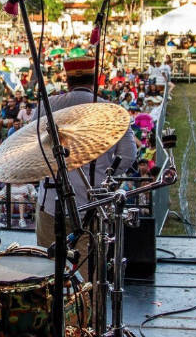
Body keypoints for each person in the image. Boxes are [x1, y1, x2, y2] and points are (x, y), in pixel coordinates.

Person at [34, 56, 136, 281]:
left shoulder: (45, 107)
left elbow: (29, 150)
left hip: (50, 203)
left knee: (48, 274)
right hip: (93, 205)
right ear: (96, 78)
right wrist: (104, 172)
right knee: (87, 276)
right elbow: (128, 156)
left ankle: (54, 315)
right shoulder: (112, 110)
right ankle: (87, 315)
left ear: (66, 79)